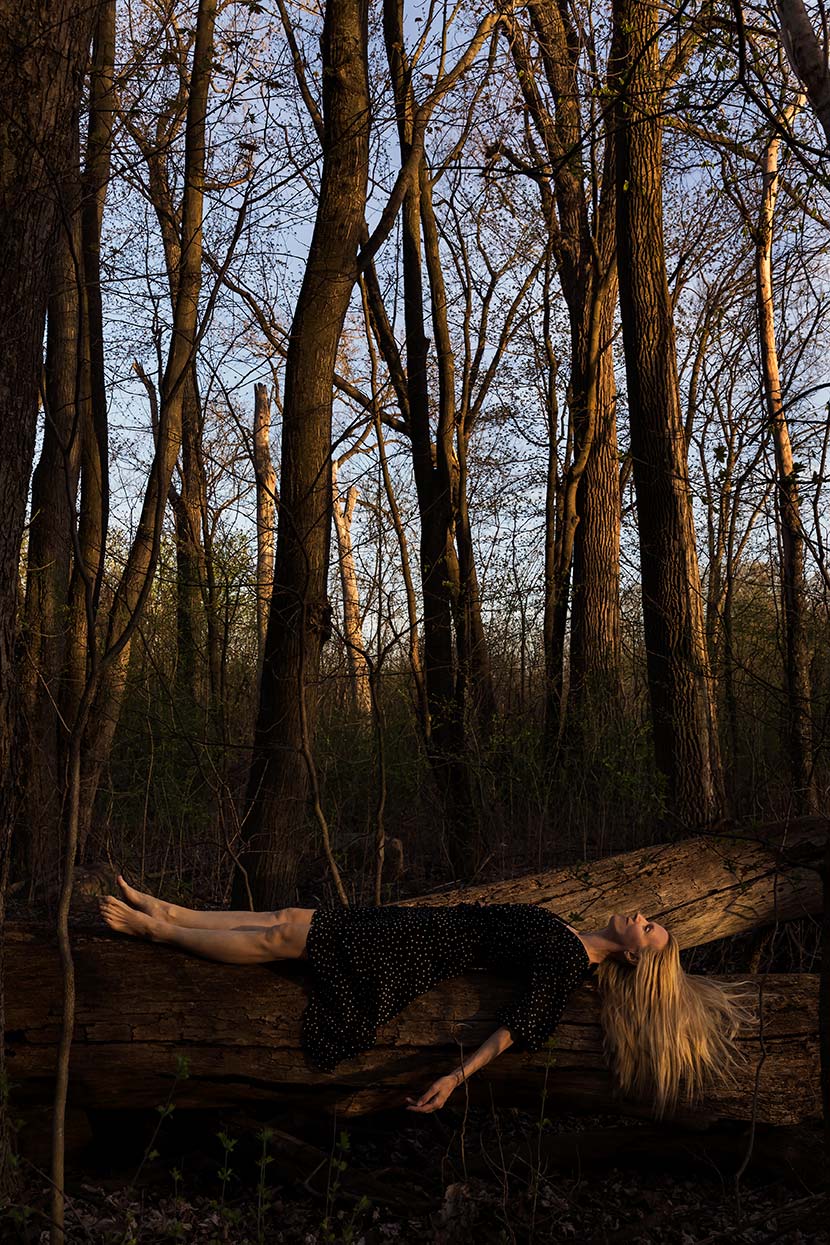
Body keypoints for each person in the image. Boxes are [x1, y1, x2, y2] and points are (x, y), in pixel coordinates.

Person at [98, 878, 750, 1118]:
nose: (642, 915)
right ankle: (172, 909)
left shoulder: (566, 960)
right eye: (651, 917)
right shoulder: (570, 937)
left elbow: (520, 1026)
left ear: (636, 954)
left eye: (650, 926)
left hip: (418, 951)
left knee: (281, 937)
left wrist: (453, 1077)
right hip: (420, 928)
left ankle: (156, 929)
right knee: (291, 916)